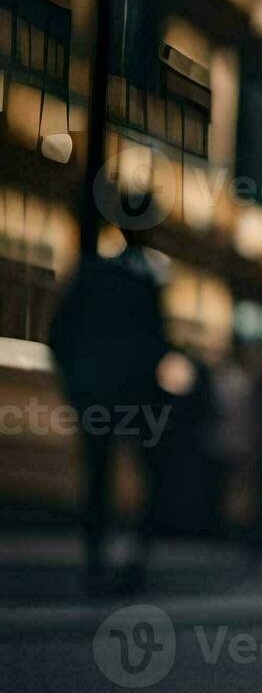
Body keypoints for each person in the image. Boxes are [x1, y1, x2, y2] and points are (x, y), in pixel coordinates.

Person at [48, 236, 169, 595]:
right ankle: (130, 562)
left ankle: (98, 564)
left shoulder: (93, 275)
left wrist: (74, 384)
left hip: (99, 396)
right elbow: (159, 341)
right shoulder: (144, 281)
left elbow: (60, 333)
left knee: (98, 478)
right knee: (143, 477)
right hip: (133, 396)